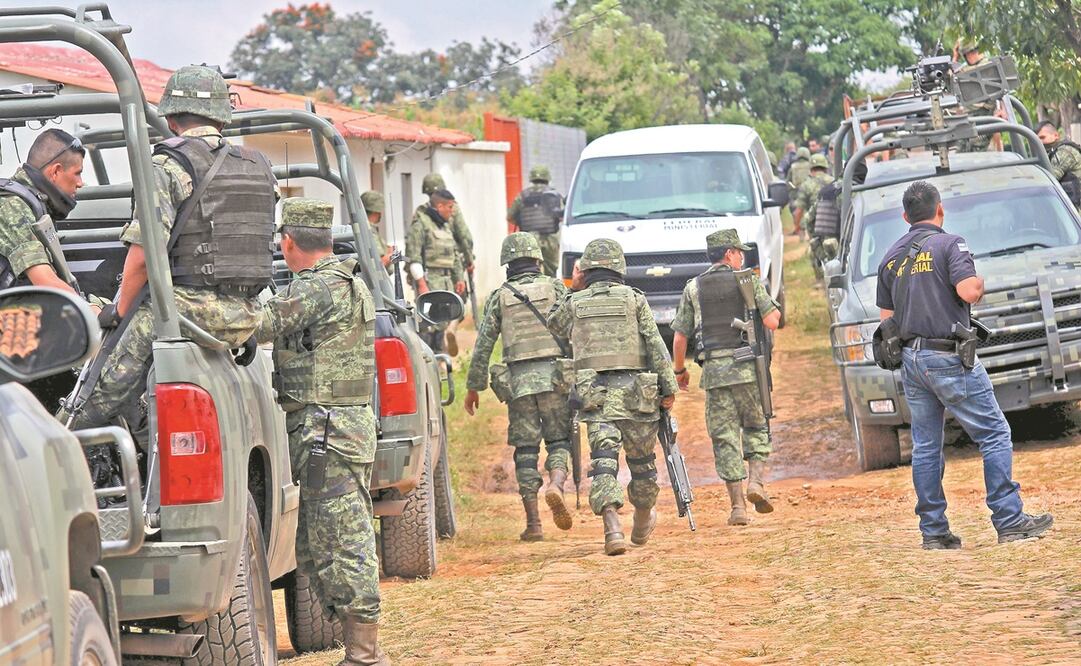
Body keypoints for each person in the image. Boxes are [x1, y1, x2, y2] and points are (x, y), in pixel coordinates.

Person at [66, 65, 277, 431]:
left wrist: (117, 312)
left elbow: (144, 257)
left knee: (97, 392)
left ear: (173, 119)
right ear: (221, 119)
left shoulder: (166, 166)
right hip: (248, 315)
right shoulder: (260, 168)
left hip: (189, 312)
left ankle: (69, 437)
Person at [876, 181, 1053, 549]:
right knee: (994, 433)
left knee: (926, 446)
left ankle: (934, 532)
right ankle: (1009, 518)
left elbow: (886, 318)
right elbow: (968, 291)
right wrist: (979, 281)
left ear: (905, 216)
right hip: (949, 357)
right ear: (939, 210)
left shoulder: (890, 257)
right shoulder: (951, 244)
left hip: (911, 360)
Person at [253, 198, 387, 665]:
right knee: (320, 543)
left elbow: (259, 324)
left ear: (288, 243)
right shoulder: (348, 280)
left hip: (326, 433)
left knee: (342, 543)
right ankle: (359, 652)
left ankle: (365, 656)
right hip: (336, 430)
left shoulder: (317, 288)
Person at [547, 238, 677, 555]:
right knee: (643, 465)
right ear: (619, 267)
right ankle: (643, 516)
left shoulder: (576, 302)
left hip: (596, 396)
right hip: (638, 397)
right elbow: (655, 343)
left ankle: (612, 527)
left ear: (586, 270)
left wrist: (573, 288)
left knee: (603, 463)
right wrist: (668, 387)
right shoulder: (635, 299)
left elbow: (554, 323)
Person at [464, 232, 574, 540]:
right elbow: (573, 329)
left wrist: (474, 387)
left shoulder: (500, 296)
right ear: (538, 260)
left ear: (507, 265)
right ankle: (556, 483)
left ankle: (534, 524)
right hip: (554, 378)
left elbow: (483, 344)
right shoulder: (554, 288)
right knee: (558, 440)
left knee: (526, 449)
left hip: (519, 383)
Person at [670, 229, 780, 526]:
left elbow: (680, 337)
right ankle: (756, 483)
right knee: (756, 426)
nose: (742, 256)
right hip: (748, 372)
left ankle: (737, 508)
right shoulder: (747, 280)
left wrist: (680, 372)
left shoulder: (693, 287)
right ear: (729, 254)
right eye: (739, 252)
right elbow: (773, 320)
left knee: (724, 437)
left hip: (715, 376)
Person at [0, 128, 87, 296]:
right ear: (55, 171)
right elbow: (45, 281)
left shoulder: (33, 203)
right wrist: (88, 310)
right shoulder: (12, 206)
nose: (80, 183)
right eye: (77, 174)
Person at [409, 173, 473, 355]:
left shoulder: (444, 225)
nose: (453, 212)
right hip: (431, 280)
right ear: (440, 206)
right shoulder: (420, 223)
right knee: (430, 325)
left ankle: (442, 357)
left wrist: (459, 278)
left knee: (446, 319)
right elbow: (414, 257)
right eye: (450, 207)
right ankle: (432, 359)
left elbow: (453, 252)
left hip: (447, 280)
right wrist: (422, 285)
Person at [507, 165, 564, 277]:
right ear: (547, 177)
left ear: (532, 178)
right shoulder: (554, 195)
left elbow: (510, 217)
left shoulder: (522, 195)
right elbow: (562, 216)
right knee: (551, 272)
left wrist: (521, 221)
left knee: (528, 272)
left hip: (529, 239)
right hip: (550, 239)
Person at [1036, 121, 1081, 208]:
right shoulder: (1053, 152)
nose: (1040, 142)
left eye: (1042, 137)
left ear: (1056, 135)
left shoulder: (1064, 152)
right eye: (1037, 139)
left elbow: (1049, 179)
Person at [792, 153, 834, 239]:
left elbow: (799, 210)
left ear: (811, 169)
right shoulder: (833, 182)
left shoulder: (806, 185)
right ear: (825, 168)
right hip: (834, 225)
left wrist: (797, 227)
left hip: (815, 228)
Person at [361, 190, 394, 269]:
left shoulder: (359, 227)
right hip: (376, 280)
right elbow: (380, 262)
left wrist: (388, 250)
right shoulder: (368, 231)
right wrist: (392, 255)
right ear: (376, 211)